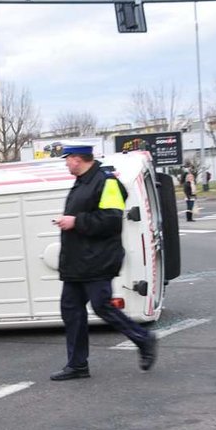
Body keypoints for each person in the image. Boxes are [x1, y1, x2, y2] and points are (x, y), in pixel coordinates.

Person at [51, 144, 157, 381]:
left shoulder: (106, 181)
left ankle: (143, 339)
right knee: (71, 310)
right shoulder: (83, 182)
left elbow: (111, 221)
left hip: (97, 260)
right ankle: (77, 365)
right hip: (78, 262)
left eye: (67, 159)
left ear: (78, 159)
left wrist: (75, 222)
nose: (66, 163)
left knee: (102, 306)